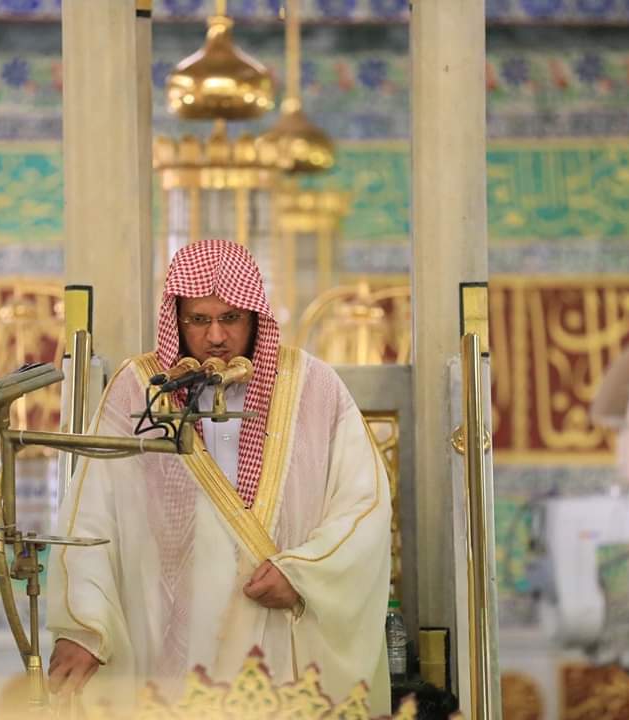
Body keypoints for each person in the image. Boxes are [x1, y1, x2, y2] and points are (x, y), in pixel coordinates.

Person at [46, 239, 392, 714]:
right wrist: (83, 627)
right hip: (171, 641)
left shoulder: (314, 387)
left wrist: (304, 575)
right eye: (198, 320)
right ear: (176, 319)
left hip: (276, 637)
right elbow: (92, 514)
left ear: (254, 317)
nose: (215, 337)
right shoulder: (140, 390)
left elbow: (364, 506)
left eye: (230, 318)